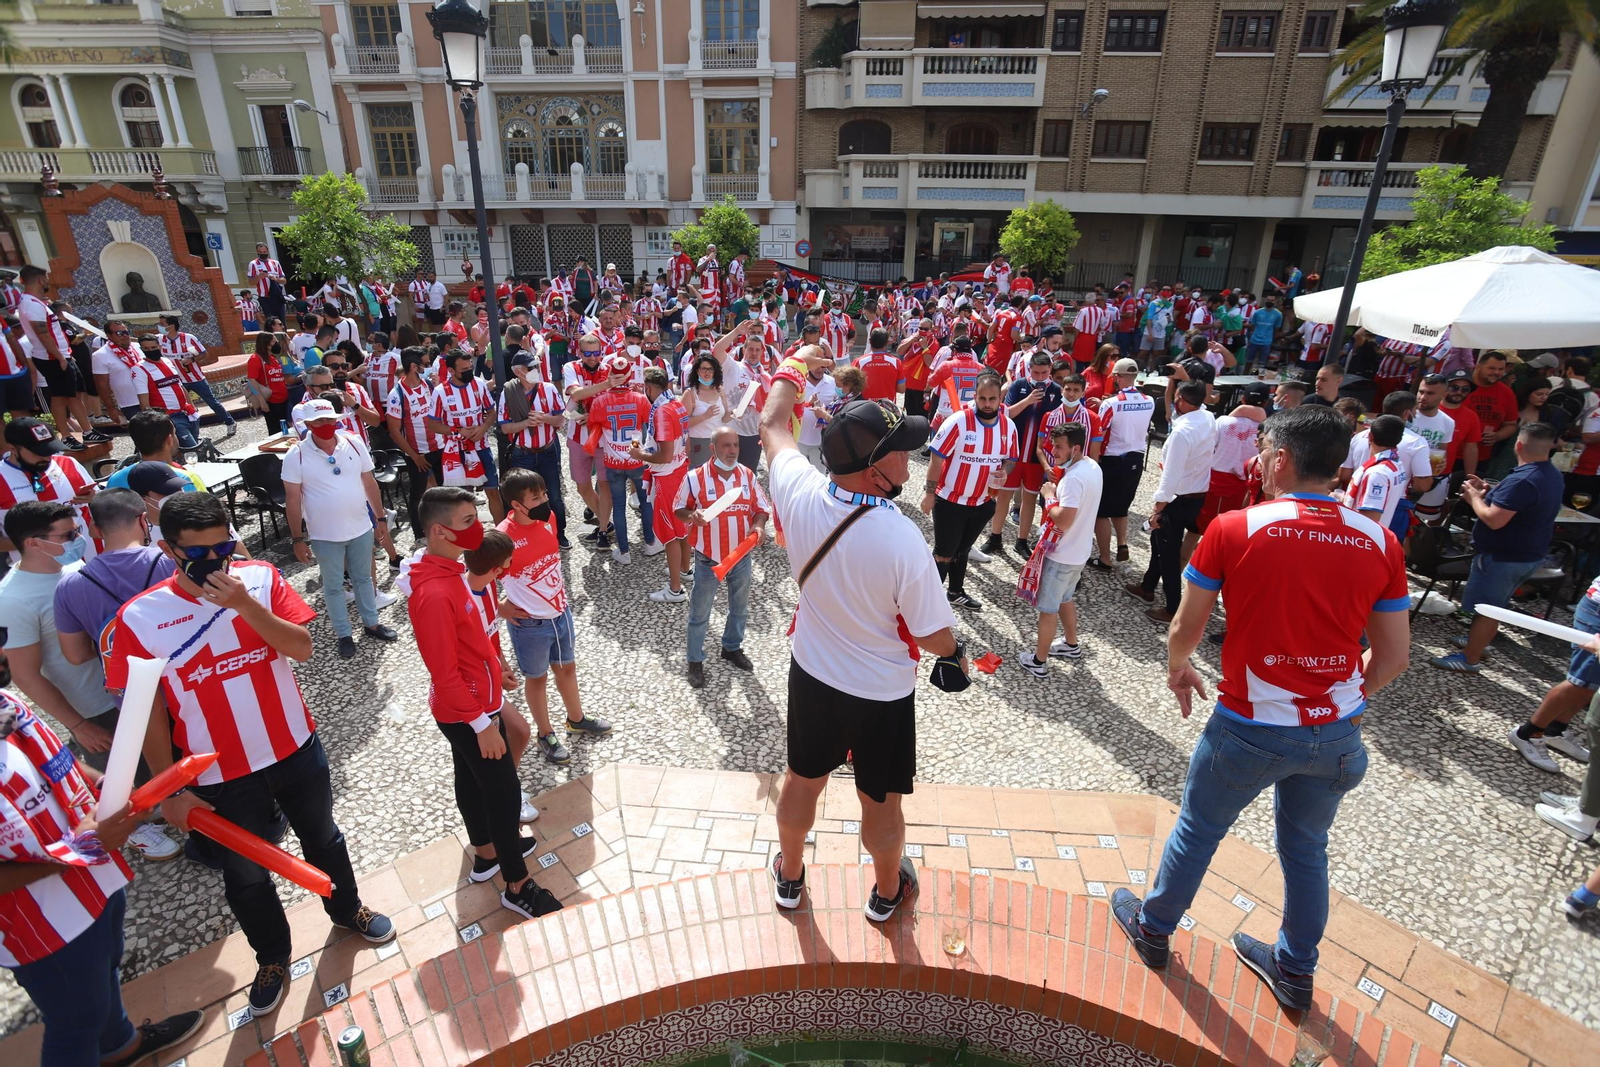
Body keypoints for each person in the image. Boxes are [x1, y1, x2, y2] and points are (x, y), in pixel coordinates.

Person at [1112, 405, 1410, 1012]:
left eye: (1266, 448)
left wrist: (1178, 668)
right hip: (1337, 733)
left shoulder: (1236, 527)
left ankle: (1155, 927)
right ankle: (1296, 969)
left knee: (1199, 829)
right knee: (1306, 849)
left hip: (1250, 724)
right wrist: (1340, 704)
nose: (1258, 458)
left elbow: (1186, 626)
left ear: (1284, 459)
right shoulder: (1382, 540)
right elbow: (1393, 657)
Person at [111, 491, 396, 1016]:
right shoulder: (139, 618)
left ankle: (347, 909)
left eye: (225, 548)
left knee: (324, 839)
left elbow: (302, 647)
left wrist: (244, 605)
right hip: (220, 775)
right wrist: (170, 786)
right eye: (201, 554)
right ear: (170, 551)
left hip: (293, 748)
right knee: (244, 874)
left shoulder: (260, 579)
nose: (217, 563)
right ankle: (272, 957)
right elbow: (148, 710)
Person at [760, 346, 967, 922]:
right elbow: (932, 636)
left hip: (814, 674)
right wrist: (958, 655)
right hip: (881, 692)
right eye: (902, 450)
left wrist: (796, 362)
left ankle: (791, 877)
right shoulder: (901, 539)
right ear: (875, 469)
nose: (912, 458)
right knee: (881, 799)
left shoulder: (799, 490)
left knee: (802, 782)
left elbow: (772, 422)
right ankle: (883, 894)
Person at [0, 669, 205, 1067]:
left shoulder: (6, 708)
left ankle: (121, 1046)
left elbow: (56, 762)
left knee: (106, 965)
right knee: (76, 1023)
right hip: (39, 924)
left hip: (92, 881)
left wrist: (106, 786)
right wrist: (82, 846)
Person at [405, 487, 563, 918]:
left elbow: (470, 639)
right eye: (466, 523)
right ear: (439, 531)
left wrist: (496, 667)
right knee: (503, 794)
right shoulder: (435, 592)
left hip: (474, 702)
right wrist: (482, 724)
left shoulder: (447, 571)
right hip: (469, 711)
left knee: (473, 782)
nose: (478, 528)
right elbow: (444, 671)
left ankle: (487, 854)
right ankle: (518, 885)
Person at [0, 500, 178, 860]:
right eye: (67, 535)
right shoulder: (12, 599)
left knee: (155, 764)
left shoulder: (75, 569)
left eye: (78, 531)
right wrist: (78, 725)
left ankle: (159, 806)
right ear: (32, 543)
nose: (78, 539)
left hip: (129, 689)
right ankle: (136, 831)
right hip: (93, 707)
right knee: (116, 777)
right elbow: (25, 675)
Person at [1431, 422, 1564, 675]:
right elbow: (1520, 505)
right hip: (1529, 555)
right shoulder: (1551, 474)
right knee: (1497, 605)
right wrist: (1490, 492)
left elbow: (1493, 519)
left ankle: (1470, 659)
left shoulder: (1523, 480)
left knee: (1486, 610)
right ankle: (1478, 643)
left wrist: (1474, 498)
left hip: (1503, 558)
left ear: (1518, 444)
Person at [283, 399, 400, 659]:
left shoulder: (354, 443)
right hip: (325, 534)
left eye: (329, 420)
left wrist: (380, 519)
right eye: (319, 421)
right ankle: (343, 633)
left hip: (360, 526)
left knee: (364, 579)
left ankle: (372, 623)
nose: (325, 426)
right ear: (309, 424)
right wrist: (297, 538)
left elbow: (369, 483)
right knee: (334, 586)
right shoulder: (297, 454)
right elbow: (293, 499)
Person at [674, 426, 770, 688]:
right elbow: (678, 508)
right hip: (708, 558)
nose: (732, 451)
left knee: (739, 609)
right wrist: (691, 516)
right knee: (700, 613)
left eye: (736, 445)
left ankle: (731, 647)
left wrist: (759, 525)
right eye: (726, 446)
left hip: (740, 557)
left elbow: (761, 508)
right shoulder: (694, 478)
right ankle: (695, 660)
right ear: (713, 448)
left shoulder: (747, 476)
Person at [922, 371, 1017, 612]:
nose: (987, 404)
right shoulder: (958, 421)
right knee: (944, 552)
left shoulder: (1008, 426)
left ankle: (955, 593)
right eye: (982, 398)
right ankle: (926, 603)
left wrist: (1004, 470)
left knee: (962, 550)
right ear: (975, 396)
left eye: (992, 399)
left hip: (983, 502)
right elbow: (936, 458)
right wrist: (930, 493)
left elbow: (1011, 458)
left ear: (1000, 399)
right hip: (950, 500)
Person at [1125, 380, 1214, 623]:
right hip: (1197, 495)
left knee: (1169, 555)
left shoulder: (1182, 432)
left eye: (1176, 397)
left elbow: (1171, 476)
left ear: (1182, 401)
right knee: (1160, 545)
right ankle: (1147, 586)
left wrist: (1158, 507)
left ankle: (1172, 607)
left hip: (1177, 499)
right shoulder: (1208, 418)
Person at [1018, 422, 1103, 675]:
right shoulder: (1093, 467)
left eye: (1058, 447)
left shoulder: (1073, 479)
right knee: (1066, 598)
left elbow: (1064, 519)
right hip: (1079, 553)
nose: (1053, 451)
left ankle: (1039, 662)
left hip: (1061, 555)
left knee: (1048, 609)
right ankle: (1071, 644)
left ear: (1075, 449)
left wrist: (1049, 496)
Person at [586, 354, 661, 564]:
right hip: (636, 457)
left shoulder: (600, 401)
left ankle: (624, 551)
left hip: (613, 461)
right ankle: (649, 542)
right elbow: (652, 424)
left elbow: (592, 424)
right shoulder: (640, 399)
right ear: (630, 376)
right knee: (646, 503)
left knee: (618, 506)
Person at [630, 367, 693, 602]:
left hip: (667, 476)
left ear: (648, 387)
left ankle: (675, 589)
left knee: (669, 535)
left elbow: (664, 455)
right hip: (680, 471)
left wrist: (640, 456)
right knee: (683, 527)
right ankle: (685, 570)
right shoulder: (676, 404)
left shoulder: (662, 412)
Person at [498, 350, 569, 547]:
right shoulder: (508, 393)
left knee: (554, 496)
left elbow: (561, 419)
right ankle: (527, 536)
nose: (535, 370)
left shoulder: (549, 389)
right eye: (530, 368)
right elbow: (504, 427)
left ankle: (559, 534)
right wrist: (525, 424)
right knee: (523, 498)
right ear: (518, 372)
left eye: (536, 366)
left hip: (547, 451)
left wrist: (544, 418)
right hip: (523, 454)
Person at [0, 418, 96, 560]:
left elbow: (101, 504)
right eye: (38, 452)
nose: (47, 457)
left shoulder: (68, 463)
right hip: (40, 576)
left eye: (50, 450)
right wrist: (38, 543)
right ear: (13, 448)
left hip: (91, 562)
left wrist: (94, 499)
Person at [1090, 359, 1155, 569]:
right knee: (1121, 508)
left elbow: (1100, 431)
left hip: (1112, 459)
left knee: (1101, 512)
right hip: (1136, 459)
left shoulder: (1111, 404)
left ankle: (1105, 558)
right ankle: (1122, 543)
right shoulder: (1150, 401)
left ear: (1117, 377)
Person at [17, 264, 90, 451]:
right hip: (51, 357)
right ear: (41, 280)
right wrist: (59, 357)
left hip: (62, 355)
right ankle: (65, 436)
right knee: (60, 397)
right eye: (46, 278)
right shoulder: (31, 305)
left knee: (73, 394)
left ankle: (88, 431)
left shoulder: (37, 302)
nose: (48, 281)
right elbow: (43, 334)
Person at [428, 348, 505, 523]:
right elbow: (432, 424)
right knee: (463, 499)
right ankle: (472, 537)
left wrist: (483, 427)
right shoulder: (440, 392)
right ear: (451, 371)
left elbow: (491, 412)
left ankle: (502, 534)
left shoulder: (478, 384)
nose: (469, 372)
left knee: (493, 491)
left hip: (481, 446)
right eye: (464, 370)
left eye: (470, 367)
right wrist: (457, 431)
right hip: (456, 451)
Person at [386, 347, 441, 541]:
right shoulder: (396, 394)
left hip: (440, 447)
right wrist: (414, 455)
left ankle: (443, 526)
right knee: (417, 494)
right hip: (418, 452)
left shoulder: (429, 384)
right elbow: (394, 431)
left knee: (443, 490)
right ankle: (419, 534)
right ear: (413, 366)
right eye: (425, 364)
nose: (429, 367)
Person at [159, 314, 235, 434]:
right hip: (177, 381)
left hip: (195, 378)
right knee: (182, 406)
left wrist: (192, 360)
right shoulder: (160, 339)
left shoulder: (189, 338)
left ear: (171, 326)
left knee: (212, 402)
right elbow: (141, 340)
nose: (159, 327)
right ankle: (191, 431)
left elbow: (204, 354)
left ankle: (230, 422)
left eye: (162, 324)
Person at [1341, 415, 1410, 529]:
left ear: (1370, 436)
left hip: (1362, 540)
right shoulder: (1396, 464)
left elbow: (1369, 519)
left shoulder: (1377, 473)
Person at [90, 321, 144, 425]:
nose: (125, 336)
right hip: (129, 403)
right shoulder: (100, 355)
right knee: (144, 434)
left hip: (152, 397)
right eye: (119, 333)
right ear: (109, 335)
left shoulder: (139, 347)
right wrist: (111, 408)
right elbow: (102, 385)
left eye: (126, 332)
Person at [1243, 294, 1283, 371]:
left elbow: (1276, 329)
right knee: (1248, 362)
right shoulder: (1257, 312)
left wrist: (1272, 339)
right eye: (1268, 300)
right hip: (1254, 340)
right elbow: (1253, 325)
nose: (1269, 302)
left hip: (1266, 342)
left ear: (1275, 301)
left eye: (1272, 300)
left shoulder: (1278, 314)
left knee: (1262, 364)